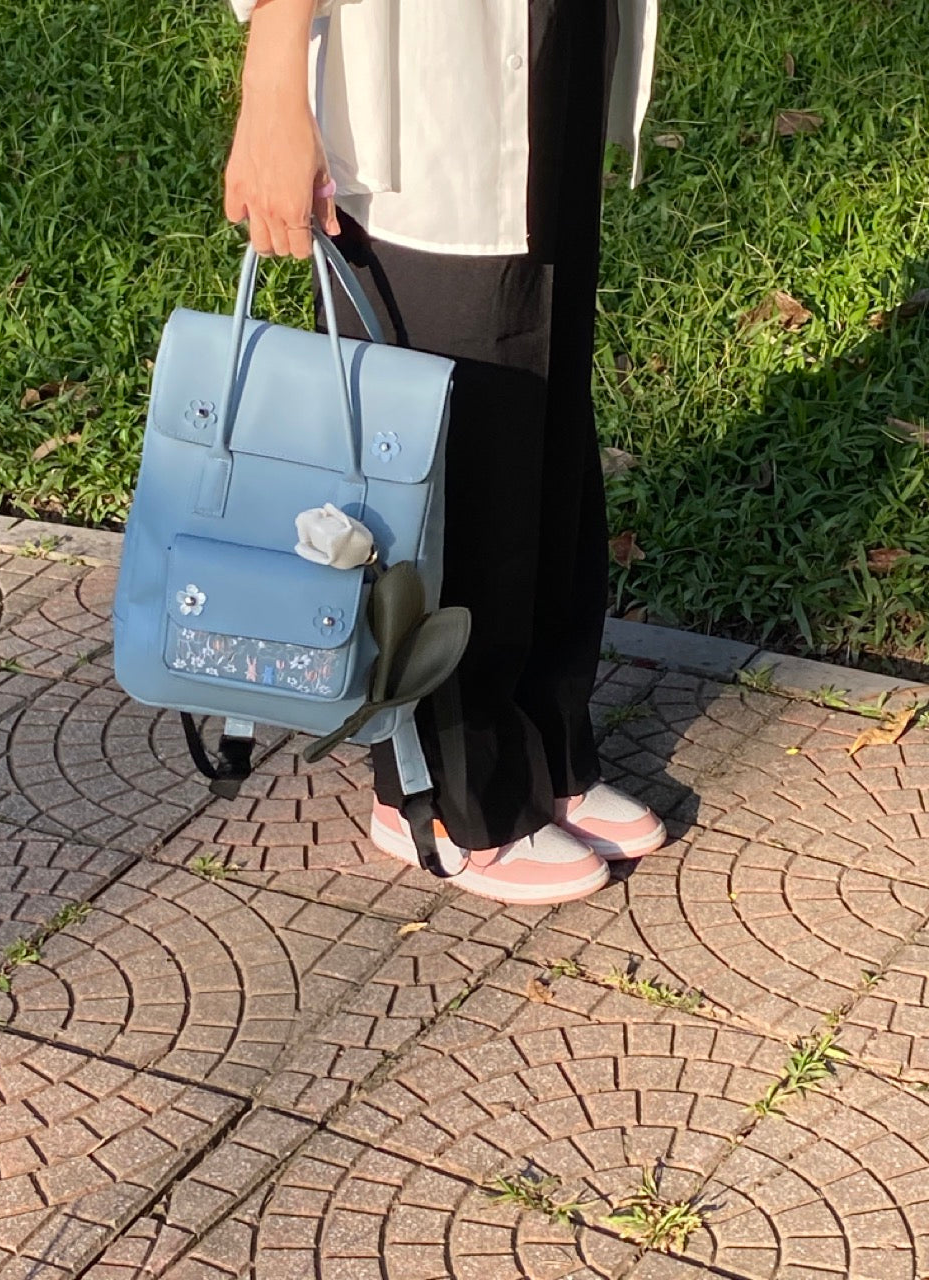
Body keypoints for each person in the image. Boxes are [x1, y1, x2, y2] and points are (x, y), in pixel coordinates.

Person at [224, 0, 667, 906]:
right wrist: (272, 82)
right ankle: (442, 794)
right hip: (418, 67)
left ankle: (547, 753)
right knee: (450, 448)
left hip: (559, 31)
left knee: (544, 419)